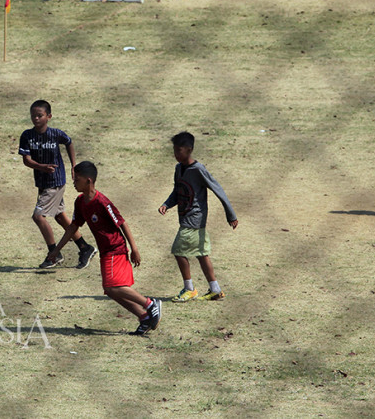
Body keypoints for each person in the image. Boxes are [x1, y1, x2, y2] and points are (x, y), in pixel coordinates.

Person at [47, 161, 161, 336]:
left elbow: (122, 223)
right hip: (105, 252)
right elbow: (73, 227)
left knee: (113, 287)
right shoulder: (80, 202)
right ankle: (144, 316)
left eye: (77, 179)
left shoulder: (102, 202)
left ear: (89, 181)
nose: (73, 182)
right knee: (110, 290)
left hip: (116, 249)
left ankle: (150, 304)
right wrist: (57, 249)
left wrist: (134, 249)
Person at [158, 131, 238, 302]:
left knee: (179, 252)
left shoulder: (198, 169)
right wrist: (166, 204)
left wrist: (230, 215)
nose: (176, 154)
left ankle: (189, 289)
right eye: (174, 150)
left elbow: (218, 189)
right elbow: (177, 191)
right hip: (186, 217)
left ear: (189, 150)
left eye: (179, 150)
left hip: (194, 219)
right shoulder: (178, 168)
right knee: (202, 254)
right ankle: (215, 289)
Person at [18, 100, 98, 269]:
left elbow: (69, 142)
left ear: (49, 116)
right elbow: (26, 160)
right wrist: (41, 167)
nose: (36, 119)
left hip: (55, 183)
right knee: (60, 216)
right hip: (42, 182)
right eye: (33, 116)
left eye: (40, 115)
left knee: (38, 216)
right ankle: (85, 247)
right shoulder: (27, 136)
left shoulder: (55, 134)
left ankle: (53, 253)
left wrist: (73, 166)